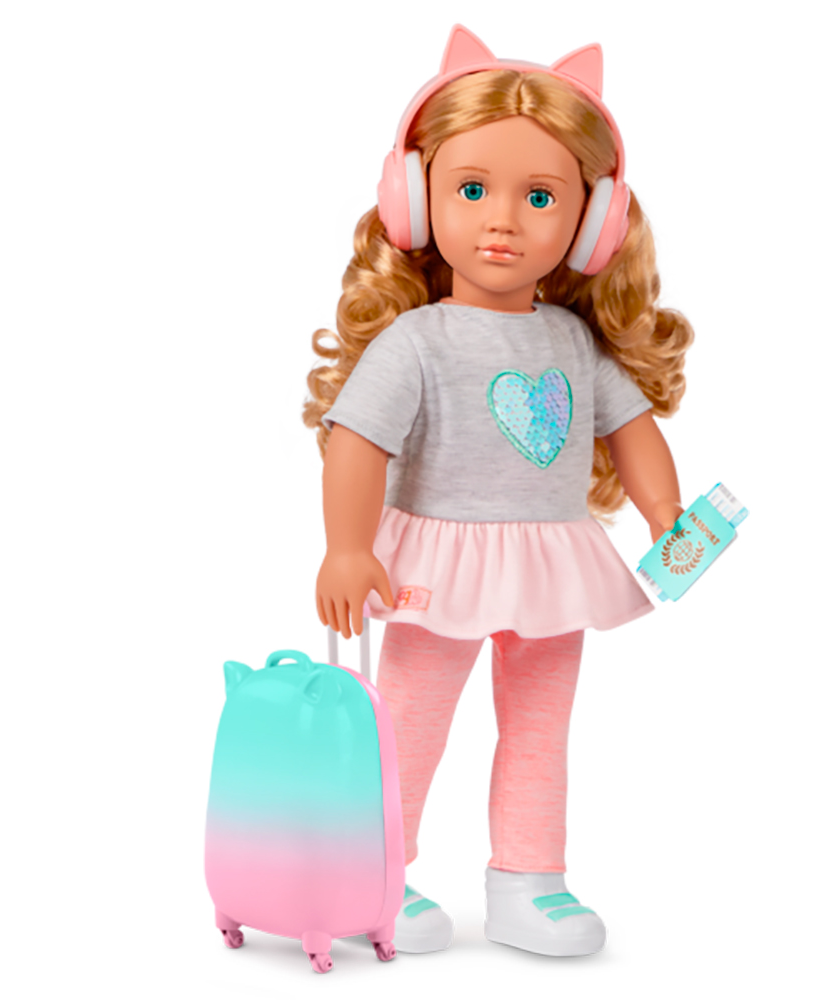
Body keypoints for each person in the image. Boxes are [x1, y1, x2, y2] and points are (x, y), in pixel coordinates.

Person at [302, 25, 693, 957]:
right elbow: (356, 440)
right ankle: (372, 871)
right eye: (472, 190)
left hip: (553, 563)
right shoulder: (417, 341)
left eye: (540, 196)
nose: (503, 221)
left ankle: (529, 879)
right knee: (408, 722)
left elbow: (633, 428)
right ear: (416, 200)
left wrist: (668, 517)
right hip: (437, 560)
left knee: (541, 726)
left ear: (593, 223)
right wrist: (347, 547)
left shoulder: (573, 341)